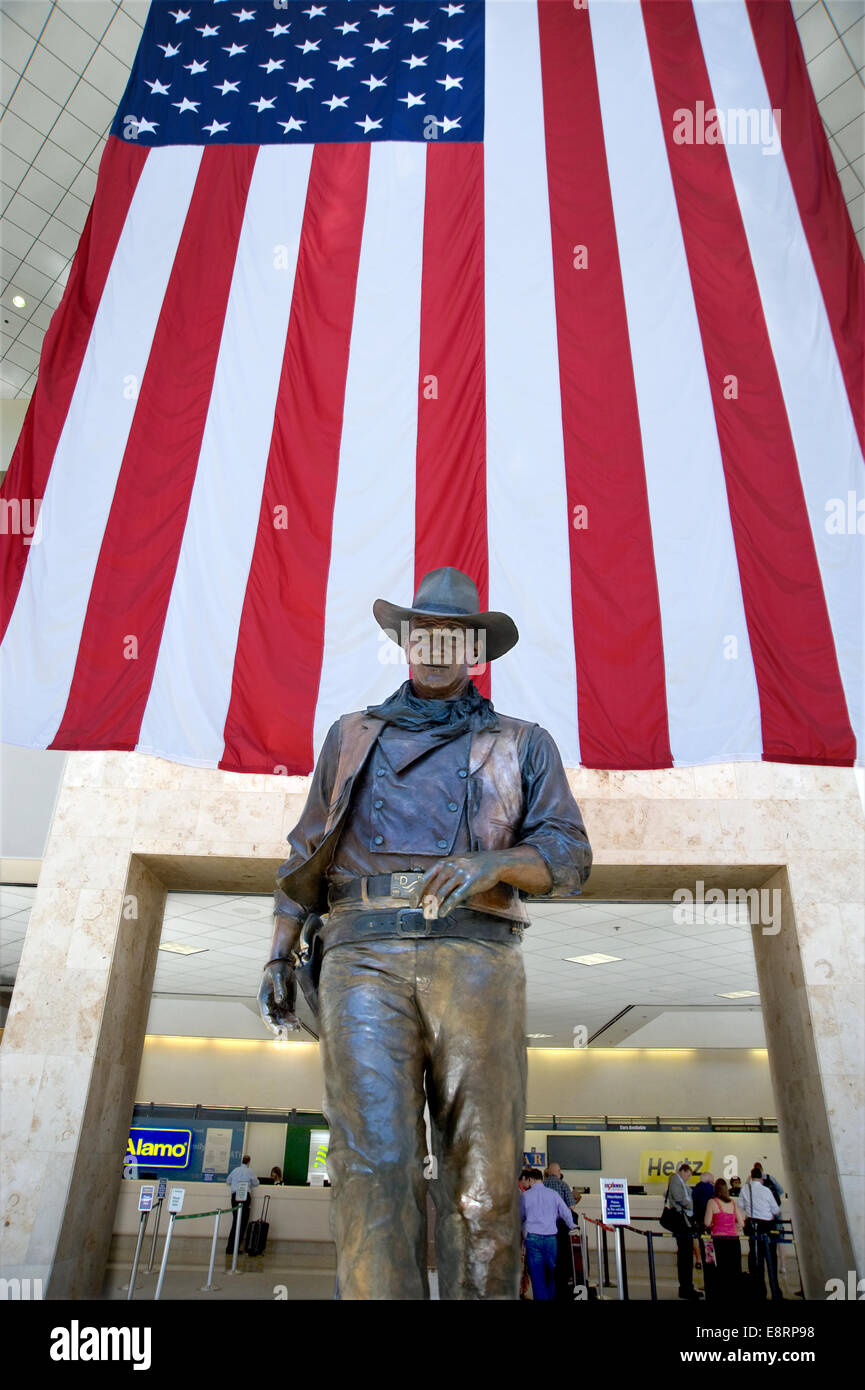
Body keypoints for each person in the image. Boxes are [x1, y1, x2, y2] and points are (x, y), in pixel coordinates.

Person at [258, 567, 592, 1300]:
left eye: (454, 635)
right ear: (405, 643)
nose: (438, 647)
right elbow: (305, 849)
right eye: (424, 633)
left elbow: (569, 856)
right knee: (372, 1168)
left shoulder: (522, 742)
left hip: (476, 954)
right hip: (360, 953)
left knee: (483, 1177)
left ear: (477, 651)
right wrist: (280, 951)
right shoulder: (349, 736)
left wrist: (493, 863)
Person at [520, 1168, 575, 1300]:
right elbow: (566, 1212)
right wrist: (572, 1225)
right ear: (541, 1179)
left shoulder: (526, 1196)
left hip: (533, 1239)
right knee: (551, 1272)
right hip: (551, 1239)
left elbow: (520, 1216)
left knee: (537, 1273)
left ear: (530, 1180)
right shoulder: (553, 1194)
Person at [739, 1167, 782, 1299]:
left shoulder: (745, 1189)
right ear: (762, 1178)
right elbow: (775, 1209)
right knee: (771, 1260)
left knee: (756, 1261)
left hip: (753, 1227)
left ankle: (759, 1293)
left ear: (751, 1177)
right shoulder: (766, 1190)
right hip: (767, 1227)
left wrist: (751, 1208)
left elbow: (740, 1205)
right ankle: (775, 1292)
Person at [703, 1178, 746, 1300]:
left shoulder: (712, 1202)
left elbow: (706, 1222)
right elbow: (742, 1223)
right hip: (733, 1240)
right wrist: (732, 1226)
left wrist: (715, 1225)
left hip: (718, 1241)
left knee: (720, 1270)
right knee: (734, 1270)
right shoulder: (732, 1203)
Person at [664, 1162, 702, 1300]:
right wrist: (692, 1205)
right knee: (685, 1255)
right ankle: (686, 1288)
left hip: (684, 1221)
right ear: (683, 1171)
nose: (688, 1178)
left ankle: (688, 1286)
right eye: (688, 1175)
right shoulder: (675, 1179)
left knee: (686, 1255)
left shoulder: (679, 1182)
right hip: (681, 1222)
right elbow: (679, 1198)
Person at [544, 1161, 581, 1300]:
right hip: (561, 1225)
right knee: (562, 1253)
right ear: (558, 1172)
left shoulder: (542, 1185)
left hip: (545, 1226)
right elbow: (571, 1207)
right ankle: (562, 1280)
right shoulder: (563, 1185)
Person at [225, 1155, 259, 1255]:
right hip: (245, 1197)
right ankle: (235, 1248)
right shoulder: (249, 1171)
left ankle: (230, 1247)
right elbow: (256, 1183)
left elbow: (228, 1181)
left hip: (234, 1197)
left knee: (235, 1221)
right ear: (249, 1162)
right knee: (242, 1223)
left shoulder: (235, 1170)